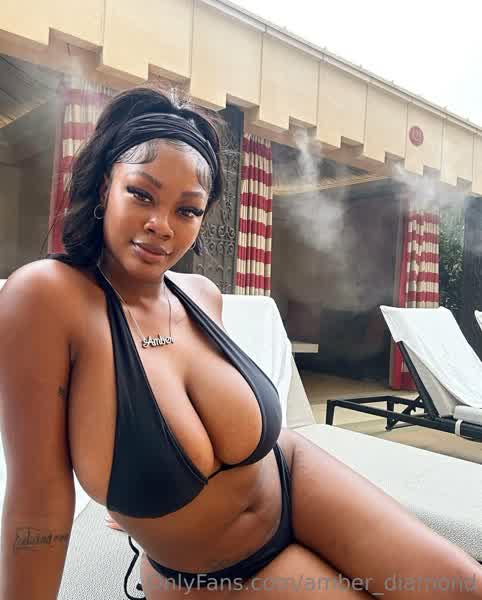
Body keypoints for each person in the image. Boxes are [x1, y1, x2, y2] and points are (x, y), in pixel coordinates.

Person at [0, 86, 480, 600]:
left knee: (465, 588)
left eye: (187, 210)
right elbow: (37, 502)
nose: (161, 225)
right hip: (212, 572)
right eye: (141, 194)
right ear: (104, 188)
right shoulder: (46, 298)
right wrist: (141, 498)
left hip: (295, 477)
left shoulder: (200, 295)